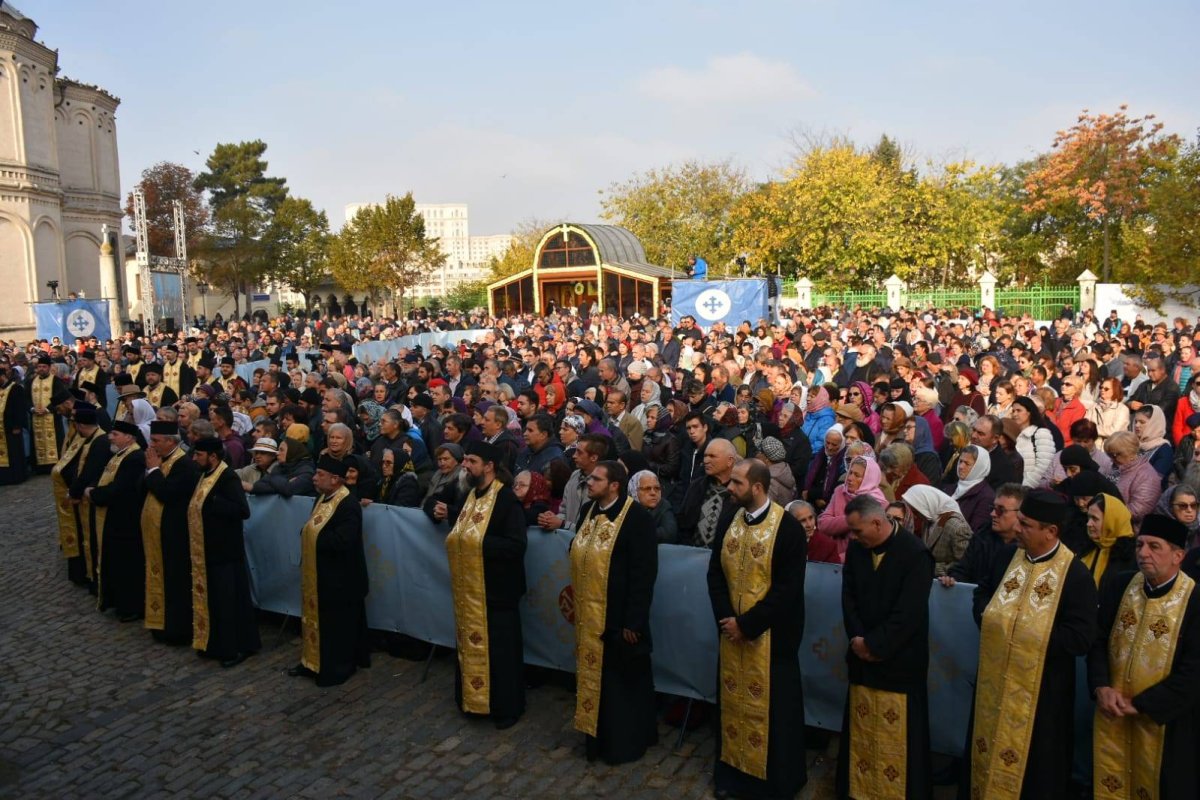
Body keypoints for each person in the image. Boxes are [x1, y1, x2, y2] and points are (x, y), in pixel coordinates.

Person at [968, 489, 1099, 799]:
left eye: (1026, 524)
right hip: (995, 681)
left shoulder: (1075, 574)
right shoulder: (1006, 556)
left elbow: (1081, 636)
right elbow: (982, 594)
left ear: (1050, 531)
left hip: (1043, 695)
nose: (1017, 529)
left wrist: (1025, 634)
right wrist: (991, 618)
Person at [707, 458, 808, 799]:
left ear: (758, 487)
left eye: (736, 483)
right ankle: (732, 773)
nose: (729, 488)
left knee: (774, 715)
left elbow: (787, 590)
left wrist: (748, 625)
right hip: (732, 636)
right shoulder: (728, 520)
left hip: (771, 640)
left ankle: (770, 783)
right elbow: (715, 574)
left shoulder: (788, 529)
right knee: (732, 706)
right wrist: (727, 620)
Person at [1088, 513, 1200, 800]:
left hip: (1167, 724)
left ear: (1178, 556)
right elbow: (1098, 640)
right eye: (1140, 545)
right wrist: (1101, 686)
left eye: (1154, 546)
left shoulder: (1194, 600)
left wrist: (1142, 705)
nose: (1143, 553)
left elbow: (1194, 671)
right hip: (1112, 712)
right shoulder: (1120, 585)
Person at [836, 494, 934, 799]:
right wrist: (858, 639)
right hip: (862, 657)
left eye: (857, 531)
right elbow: (848, 596)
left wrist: (876, 645)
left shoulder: (915, 554)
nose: (853, 537)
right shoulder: (857, 549)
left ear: (877, 522)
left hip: (899, 662)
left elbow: (909, 613)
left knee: (900, 739)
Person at [571, 460, 658, 764]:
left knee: (621, 684)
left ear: (614, 486)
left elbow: (643, 573)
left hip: (620, 618)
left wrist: (634, 620)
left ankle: (623, 743)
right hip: (589, 615)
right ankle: (594, 737)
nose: (589, 482)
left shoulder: (636, 519)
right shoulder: (587, 511)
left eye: (596, 479)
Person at [439, 441, 527, 729]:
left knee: (501, 652)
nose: (466, 465)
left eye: (471, 461)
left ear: (489, 466)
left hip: (498, 591)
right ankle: (474, 700)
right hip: (472, 590)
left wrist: (476, 543)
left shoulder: (506, 501)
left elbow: (515, 545)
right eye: (465, 460)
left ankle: (505, 707)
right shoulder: (472, 496)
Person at [288, 454, 370, 687]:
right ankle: (311, 662)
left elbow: (344, 540)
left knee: (337, 627)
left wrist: (312, 537)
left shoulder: (348, 504)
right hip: (321, 575)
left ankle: (336, 668)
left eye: (319, 475)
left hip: (342, 579)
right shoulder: (322, 498)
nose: (314, 478)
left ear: (335, 479)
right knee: (317, 622)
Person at [187, 437, 261, 668]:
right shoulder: (205, 474)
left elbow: (242, 510)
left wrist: (215, 502)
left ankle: (236, 647)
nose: (194, 458)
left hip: (226, 552)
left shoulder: (227, 476)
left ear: (213, 457)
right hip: (208, 550)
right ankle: (215, 643)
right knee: (215, 601)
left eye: (199, 455)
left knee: (230, 602)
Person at [141, 419, 201, 644]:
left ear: (170, 441)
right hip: (157, 534)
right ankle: (160, 623)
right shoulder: (159, 459)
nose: (152, 445)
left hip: (175, 534)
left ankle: (177, 630)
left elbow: (167, 493)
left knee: (175, 582)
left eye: (156, 441)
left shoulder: (183, 464)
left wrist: (154, 470)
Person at [53, 403, 106, 586]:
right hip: (81, 495)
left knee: (90, 539)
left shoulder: (98, 441)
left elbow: (89, 472)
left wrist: (73, 491)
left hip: (88, 498)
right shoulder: (89, 438)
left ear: (81, 426)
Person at [901, 484, 973, 577]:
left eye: (916, 511)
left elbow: (964, 564)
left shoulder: (957, 527)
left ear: (926, 504)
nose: (915, 516)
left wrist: (929, 567)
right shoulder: (929, 518)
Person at [629, 469, 677, 544]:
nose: (653, 493)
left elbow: (669, 534)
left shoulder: (664, 506)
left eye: (657, 488)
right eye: (647, 489)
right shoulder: (626, 507)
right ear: (634, 491)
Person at [0, 366, 28, 485]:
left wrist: (17, 425)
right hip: (2, 428)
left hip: (12, 427)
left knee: (14, 452)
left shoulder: (15, 388)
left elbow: (20, 408)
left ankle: (16, 476)